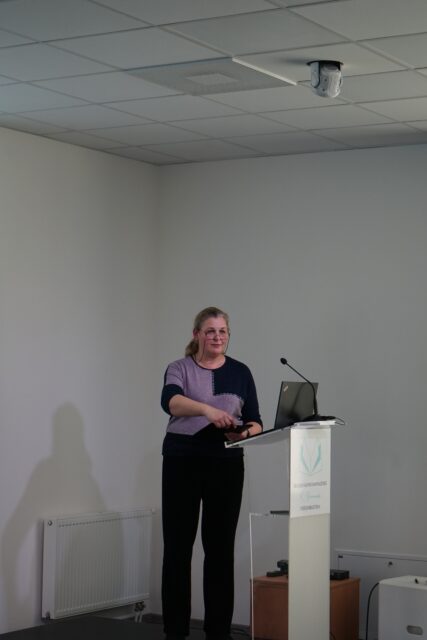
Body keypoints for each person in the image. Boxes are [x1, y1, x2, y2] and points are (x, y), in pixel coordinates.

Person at [161, 306, 263, 640]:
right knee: (177, 549)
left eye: (222, 331)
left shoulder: (241, 372)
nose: (217, 337)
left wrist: (243, 432)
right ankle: (175, 630)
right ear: (197, 335)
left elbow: (256, 420)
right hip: (182, 463)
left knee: (220, 551)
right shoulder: (179, 368)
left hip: (226, 465)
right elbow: (171, 402)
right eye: (210, 331)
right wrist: (207, 410)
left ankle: (218, 632)